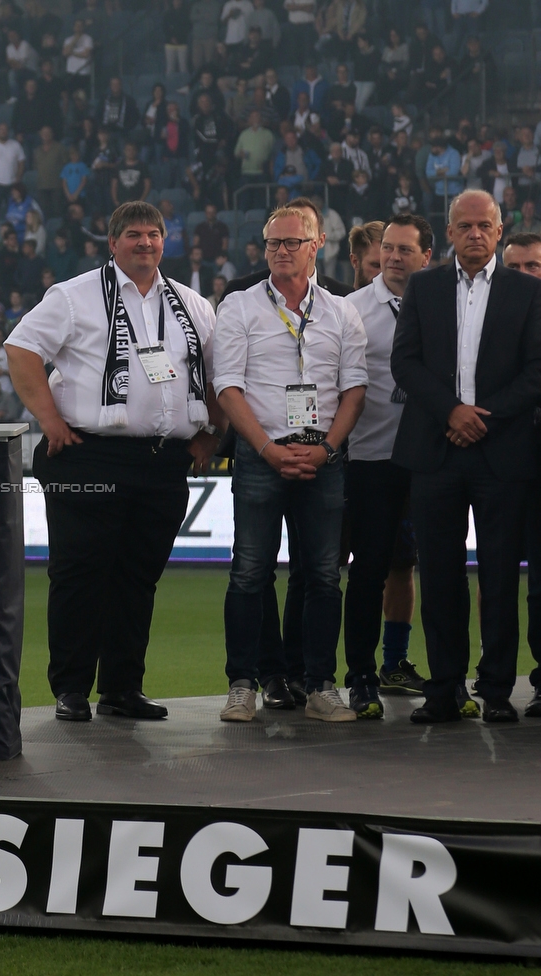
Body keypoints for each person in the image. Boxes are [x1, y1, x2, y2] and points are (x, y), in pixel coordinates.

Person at [5, 201, 221, 722]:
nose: (144, 243)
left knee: (137, 579)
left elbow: (218, 374)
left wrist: (212, 434)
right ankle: (71, 688)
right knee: (81, 575)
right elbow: (21, 349)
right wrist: (49, 420)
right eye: (133, 235)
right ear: (112, 242)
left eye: (153, 235)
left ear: (164, 242)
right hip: (89, 454)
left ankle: (122, 688)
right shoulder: (74, 296)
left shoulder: (192, 304)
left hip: (162, 461)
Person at [390, 190, 541, 723]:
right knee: (439, 575)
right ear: (448, 233)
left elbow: (536, 372)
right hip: (435, 452)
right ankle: (445, 688)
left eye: (484, 226)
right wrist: (453, 412)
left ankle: (497, 690)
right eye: (464, 226)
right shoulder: (424, 287)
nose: (475, 234)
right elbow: (404, 362)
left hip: (502, 454)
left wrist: (481, 418)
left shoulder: (527, 291)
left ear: (500, 231)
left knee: (500, 577)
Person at [215, 205, 368, 722]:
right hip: (262, 454)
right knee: (249, 573)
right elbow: (227, 388)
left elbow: (354, 391)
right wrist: (266, 449)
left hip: (323, 456)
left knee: (325, 575)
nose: (282, 251)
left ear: (317, 243)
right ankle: (242, 684)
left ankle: (320, 685)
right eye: (274, 243)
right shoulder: (238, 306)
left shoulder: (342, 310)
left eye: (292, 242)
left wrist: (326, 450)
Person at [343, 215, 433, 719]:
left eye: (405, 250)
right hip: (371, 461)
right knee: (368, 572)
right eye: (389, 249)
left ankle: (445, 678)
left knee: (433, 572)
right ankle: (359, 678)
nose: (395, 257)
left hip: (433, 462)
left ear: (426, 256)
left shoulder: (448, 307)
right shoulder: (350, 310)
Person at [503, 232, 541, 716]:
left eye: (534, 266)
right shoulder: (487, 328)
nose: (526, 276)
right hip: (503, 464)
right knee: (499, 581)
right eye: (515, 268)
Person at [348, 220, 384, 289]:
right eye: (376, 265)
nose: (382, 274)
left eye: (386, 267)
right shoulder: (336, 299)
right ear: (355, 261)